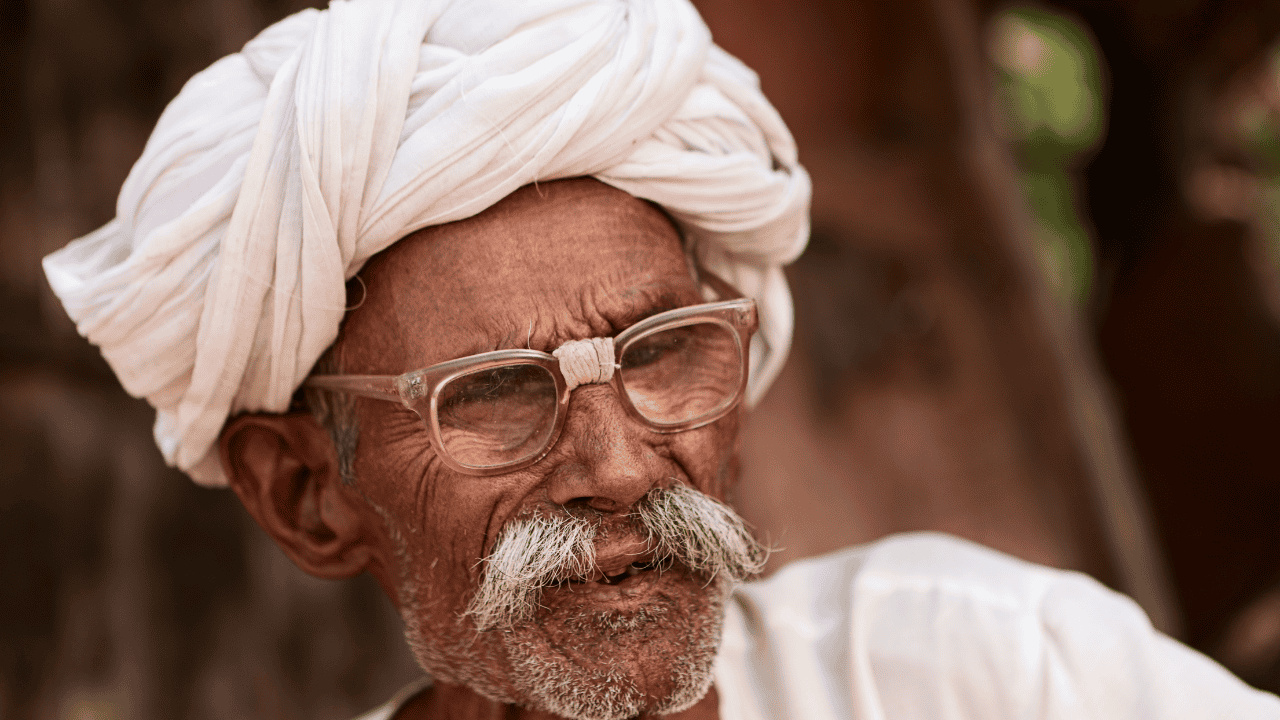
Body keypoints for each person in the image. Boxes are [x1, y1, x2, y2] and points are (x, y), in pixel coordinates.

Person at [40, 0, 1280, 718]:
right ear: (307, 494)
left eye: (662, 353)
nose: (622, 464)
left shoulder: (979, 669)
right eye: (495, 393)